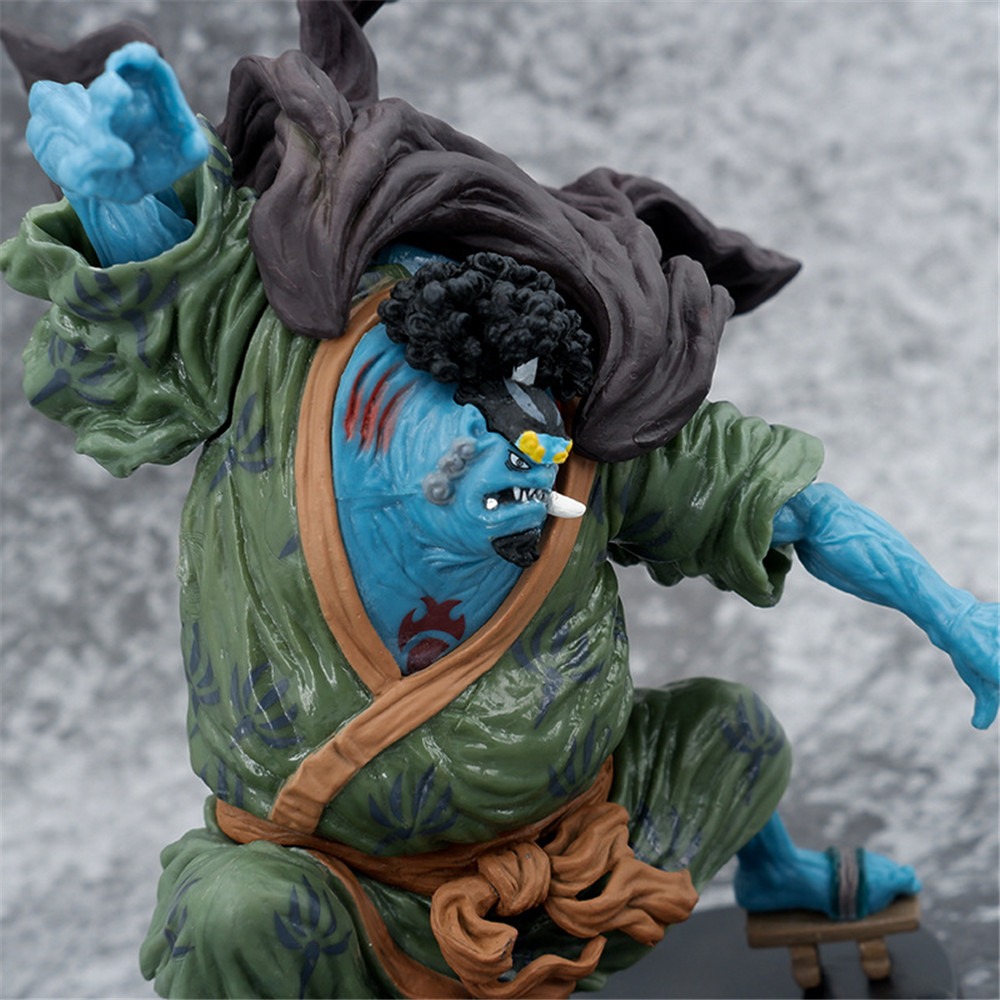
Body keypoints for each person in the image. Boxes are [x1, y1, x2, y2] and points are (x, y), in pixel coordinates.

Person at [2, 7, 996, 998]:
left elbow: (797, 508)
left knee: (730, 733)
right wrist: (127, 201)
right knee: (235, 921)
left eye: (540, 434)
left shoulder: (583, 430)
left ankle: (774, 873)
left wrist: (951, 612)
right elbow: (164, 299)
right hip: (339, 893)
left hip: (581, 864)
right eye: (485, 435)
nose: (532, 466)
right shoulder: (281, 373)